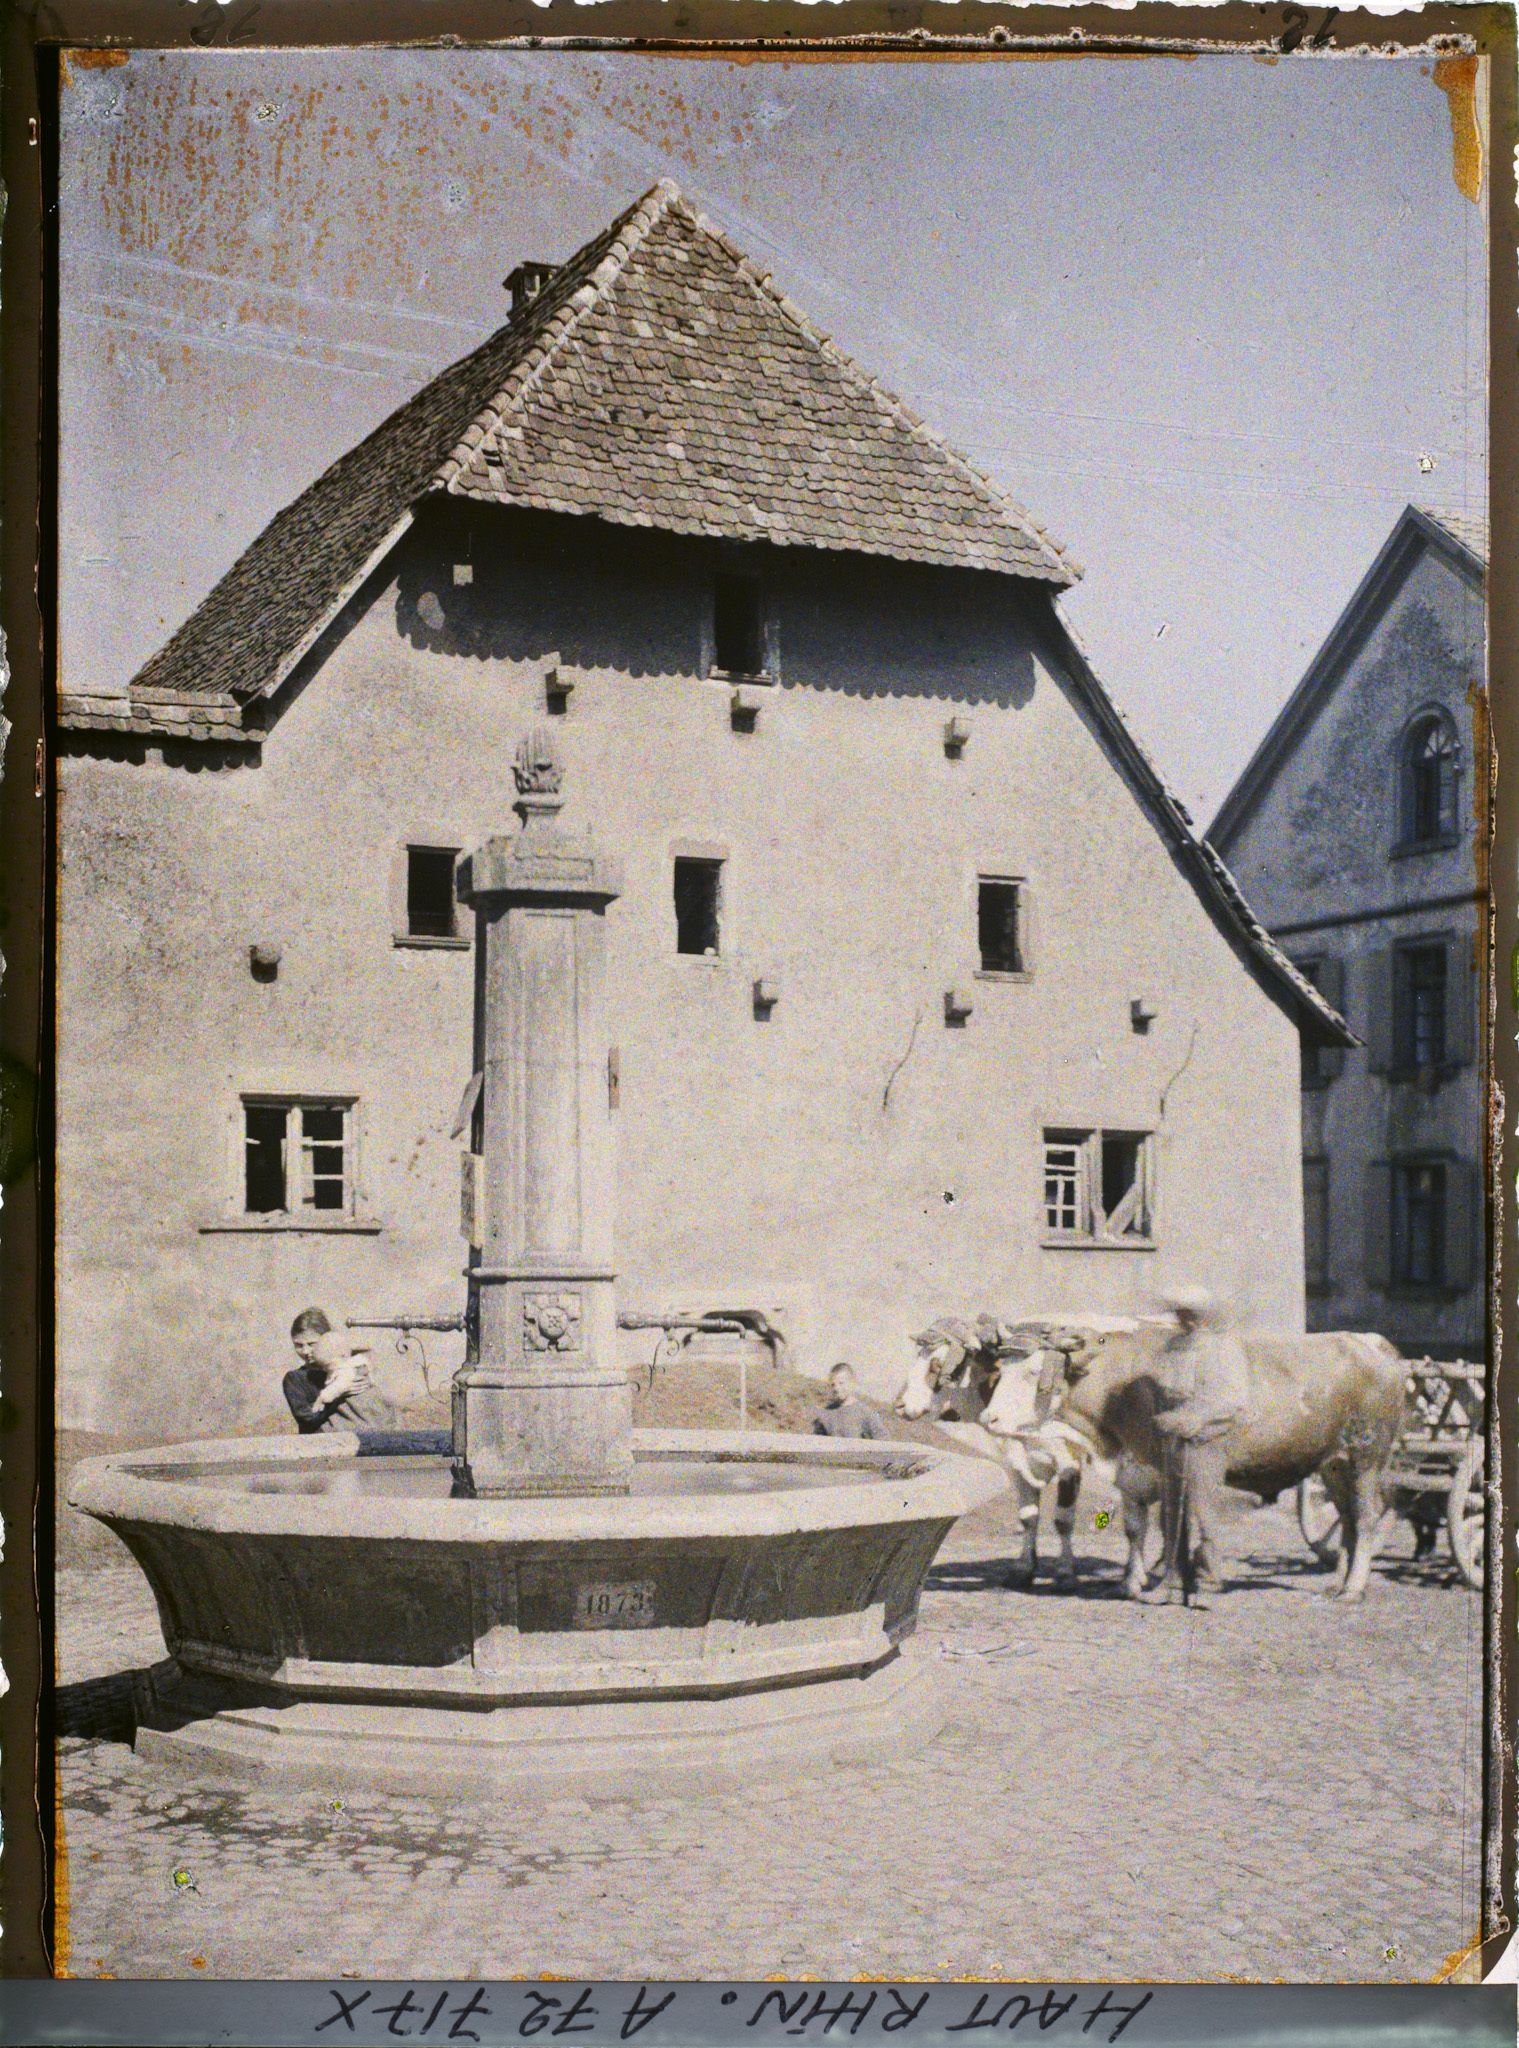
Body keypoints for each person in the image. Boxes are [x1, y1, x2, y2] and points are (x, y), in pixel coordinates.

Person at [1140, 1286, 1251, 1606]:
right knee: (1171, 1512)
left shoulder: (1224, 1348)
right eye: (1181, 1314)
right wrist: (1164, 1417)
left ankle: (1208, 1583)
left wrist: (1198, 1419)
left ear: (1205, 1316)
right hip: (1172, 1438)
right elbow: (1162, 1390)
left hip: (1206, 1439)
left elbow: (1235, 1400)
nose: (1185, 1320)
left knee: (1202, 1512)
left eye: (1192, 1314)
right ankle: (1173, 1582)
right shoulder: (1172, 1347)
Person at [283, 1308, 400, 1434]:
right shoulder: (295, 1379)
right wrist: (340, 1394)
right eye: (299, 1345)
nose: (305, 1351)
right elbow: (307, 1420)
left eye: (312, 1344)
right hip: (323, 1441)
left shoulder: (350, 1367)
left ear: (328, 1339)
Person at [812, 1362, 890, 1441]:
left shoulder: (864, 1412)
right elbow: (816, 1443)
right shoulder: (826, 1413)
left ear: (852, 1383)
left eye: (841, 1383)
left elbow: (883, 1439)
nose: (836, 1388)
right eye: (833, 1384)